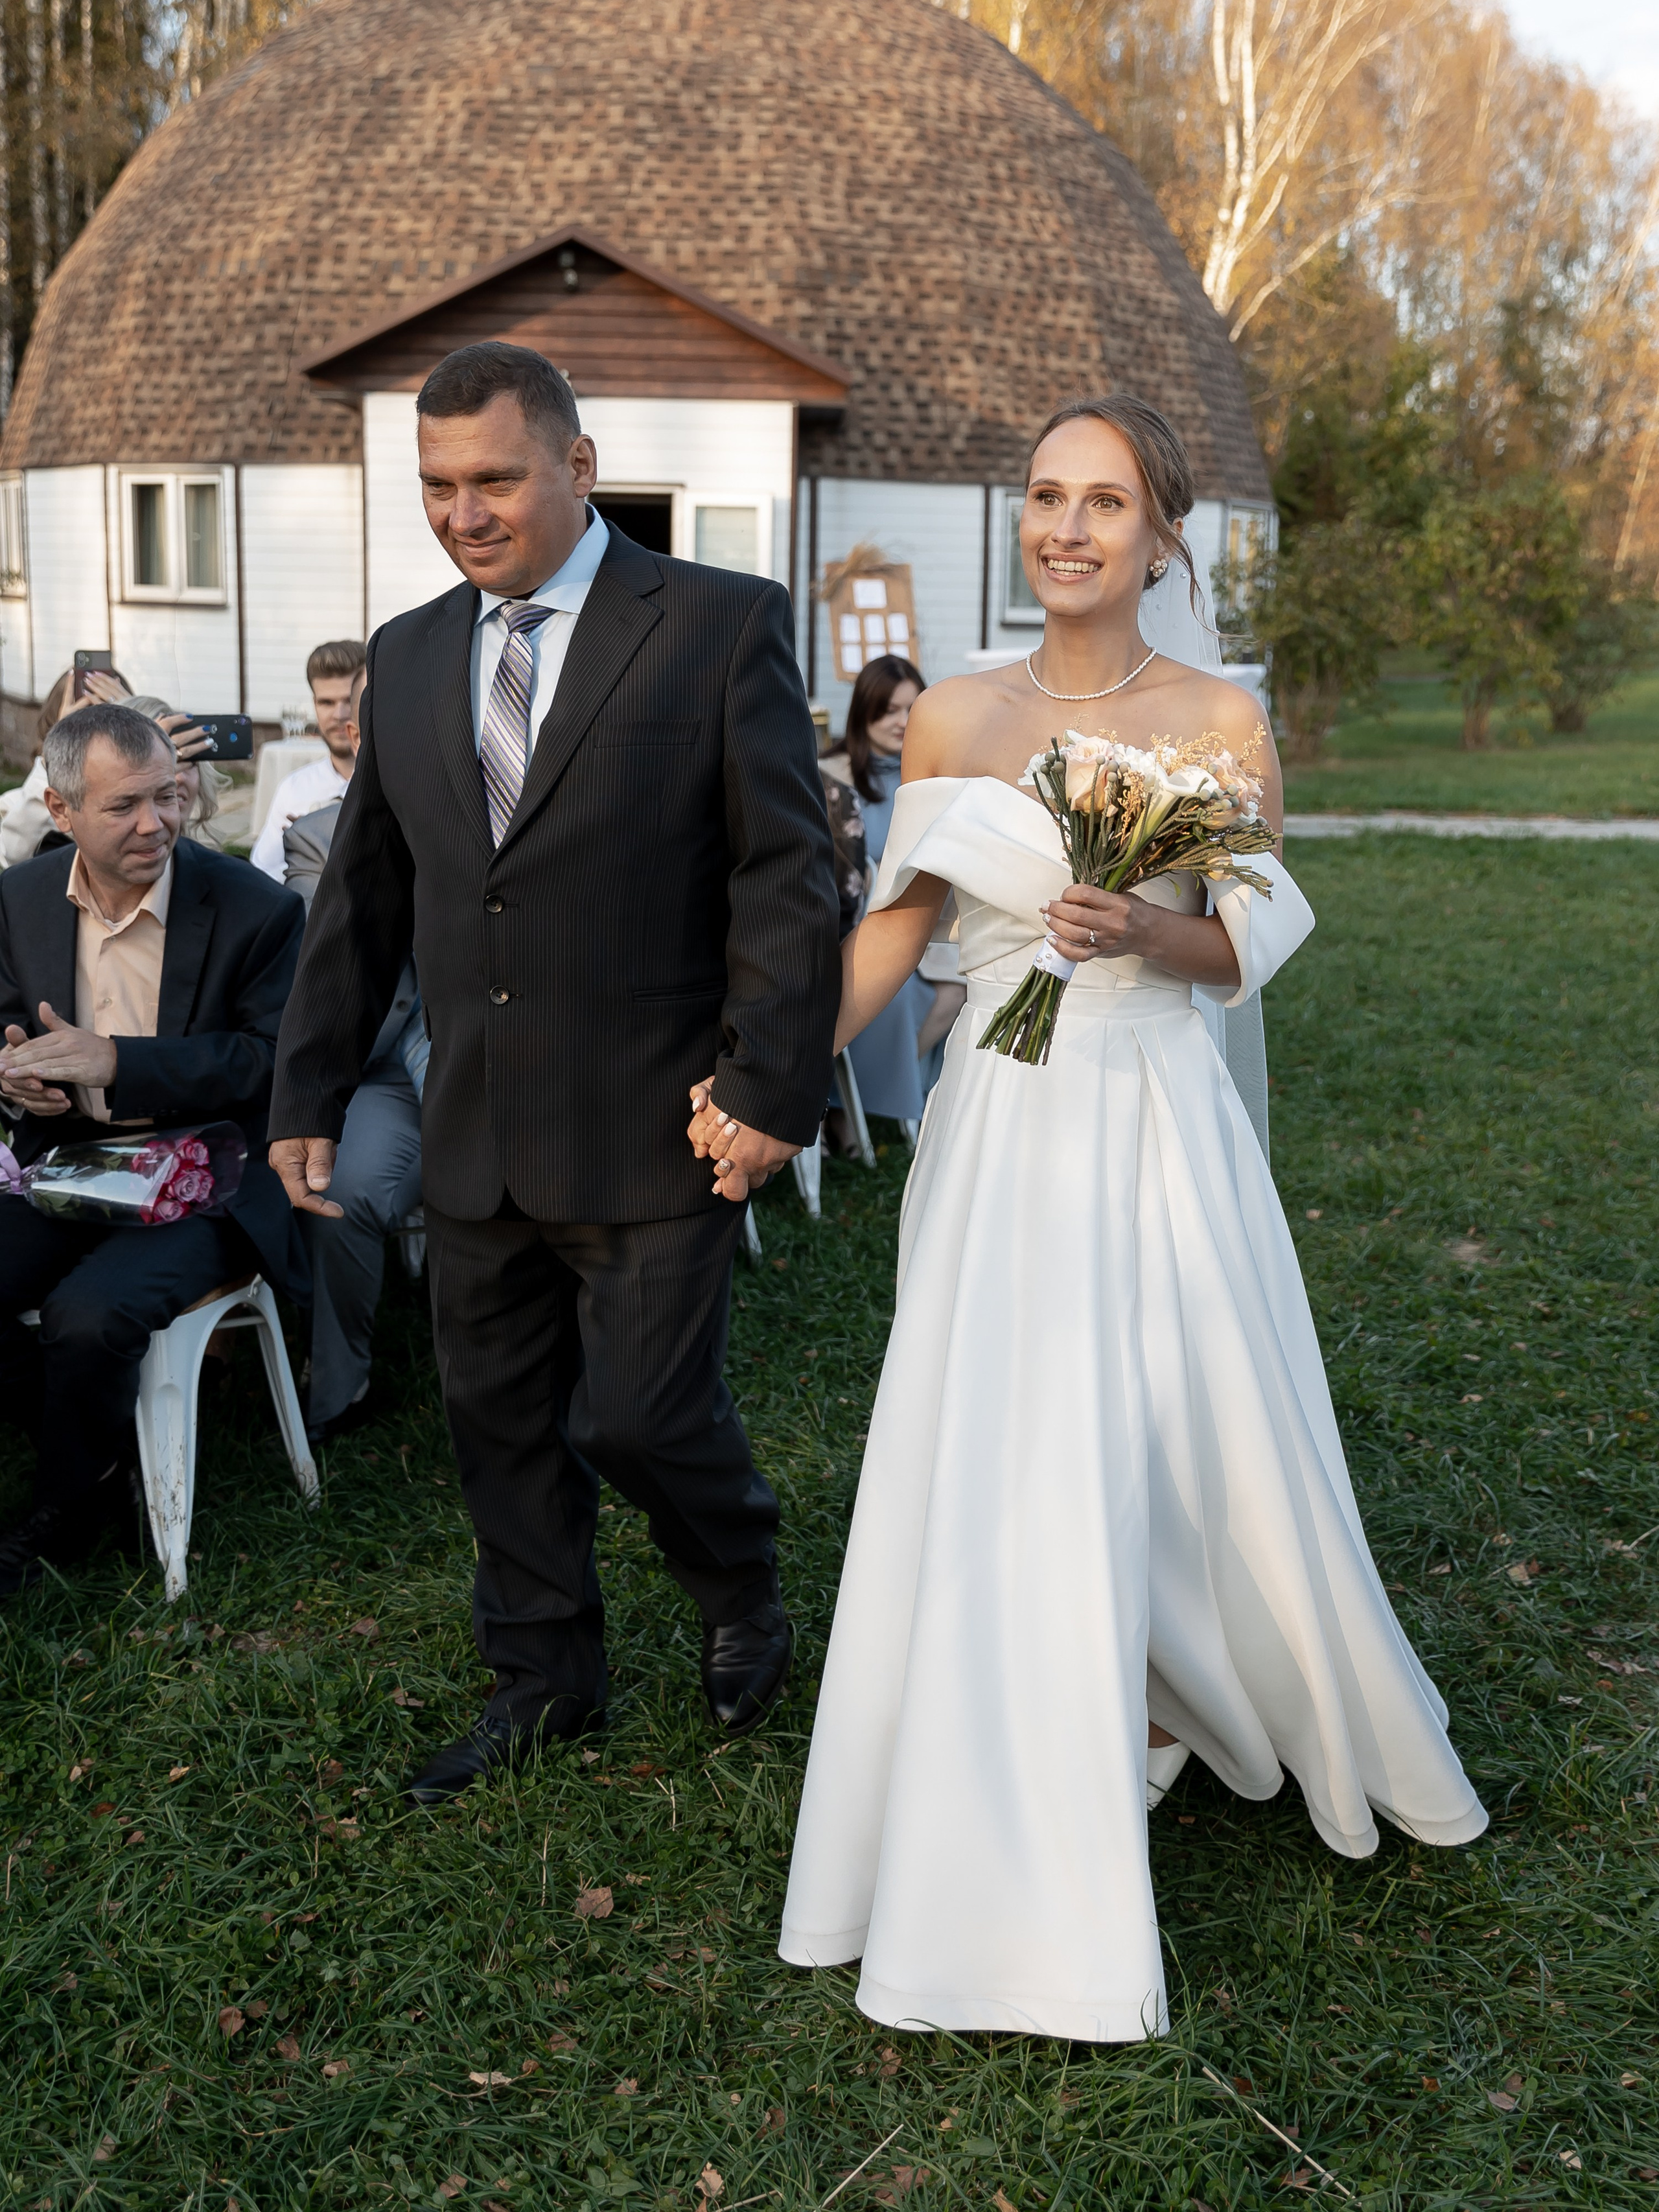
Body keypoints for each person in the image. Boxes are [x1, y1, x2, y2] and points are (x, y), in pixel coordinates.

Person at [697, 395, 1487, 2042]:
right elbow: (883, 938)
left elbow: (1250, 947)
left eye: (1103, 501)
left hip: (1153, 1118)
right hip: (995, 1124)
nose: (1066, 526)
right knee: (1000, 1433)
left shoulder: (1215, 717)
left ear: (1157, 536)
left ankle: (1172, 1675)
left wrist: (1145, 922)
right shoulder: (952, 721)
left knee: (1176, 1420)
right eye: (1045, 497)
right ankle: (1024, 1722)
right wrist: (771, 1088)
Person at [266, 340, 840, 1805]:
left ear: (576, 466)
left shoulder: (716, 627)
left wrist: (769, 1085)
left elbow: (787, 875)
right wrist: (307, 1092)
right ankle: (543, 1669)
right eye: (437, 486)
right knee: (500, 1423)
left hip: (662, 1123)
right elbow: (361, 898)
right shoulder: (403, 656)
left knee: (642, 1417)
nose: (465, 513)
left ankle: (736, 1582)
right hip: (474, 1134)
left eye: (494, 479)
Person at [0, 703, 308, 1597]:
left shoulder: (257, 909)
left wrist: (118, 1062)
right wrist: (13, 1069)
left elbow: (273, 1062)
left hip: (205, 1177)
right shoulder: (19, 897)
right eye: (124, 805)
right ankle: (100, 1446)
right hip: (67, 1165)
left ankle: (70, 1497)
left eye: (166, 798)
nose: (156, 823)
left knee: (91, 1315)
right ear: (59, 811)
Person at [283, 663, 426, 1445]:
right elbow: (343, 949)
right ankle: (340, 1392)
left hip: (507, 1057)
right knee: (341, 1192)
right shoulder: (314, 835)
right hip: (387, 1067)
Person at [820, 657, 931, 1127]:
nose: (903, 722)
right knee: (903, 992)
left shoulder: (928, 772)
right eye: (889, 710)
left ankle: (876, 1102)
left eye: (912, 709)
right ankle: (853, 1111)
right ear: (863, 712)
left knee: (958, 989)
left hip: (927, 915)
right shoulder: (832, 775)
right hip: (858, 922)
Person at [248, 640, 367, 881]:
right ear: (314, 704)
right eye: (327, 703)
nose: (339, 715)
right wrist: (302, 844)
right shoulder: (294, 790)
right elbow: (263, 875)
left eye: (349, 701)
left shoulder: (399, 785)